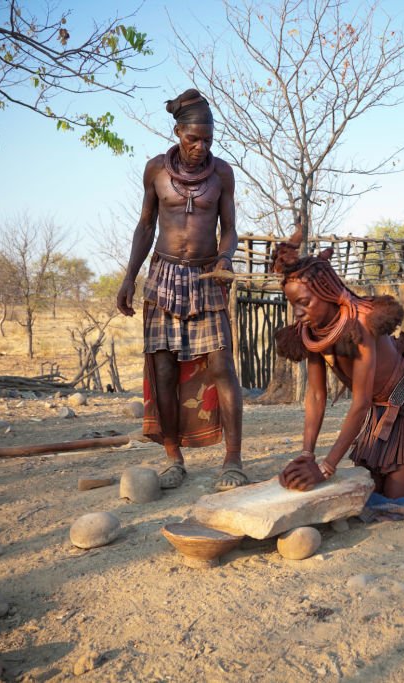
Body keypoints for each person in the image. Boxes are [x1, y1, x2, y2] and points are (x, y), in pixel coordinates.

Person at [116, 89, 247, 491]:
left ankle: (233, 461)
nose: (200, 147)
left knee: (222, 366)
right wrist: (129, 277)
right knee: (163, 370)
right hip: (162, 277)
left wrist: (225, 259)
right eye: (193, 139)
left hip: (206, 277)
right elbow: (145, 227)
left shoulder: (222, 173)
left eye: (207, 139)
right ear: (178, 133)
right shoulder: (155, 170)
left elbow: (230, 229)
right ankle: (173, 457)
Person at [272, 230, 404, 498]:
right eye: (293, 305)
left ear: (326, 292)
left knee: (395, 493)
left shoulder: (361, 325)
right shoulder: (311, 332)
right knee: (372, 484)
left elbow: (360, 403)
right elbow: (315, 395)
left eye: (304, 302)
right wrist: (307, 454)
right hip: (379, 400)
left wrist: (326, 468)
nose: (298, 313)